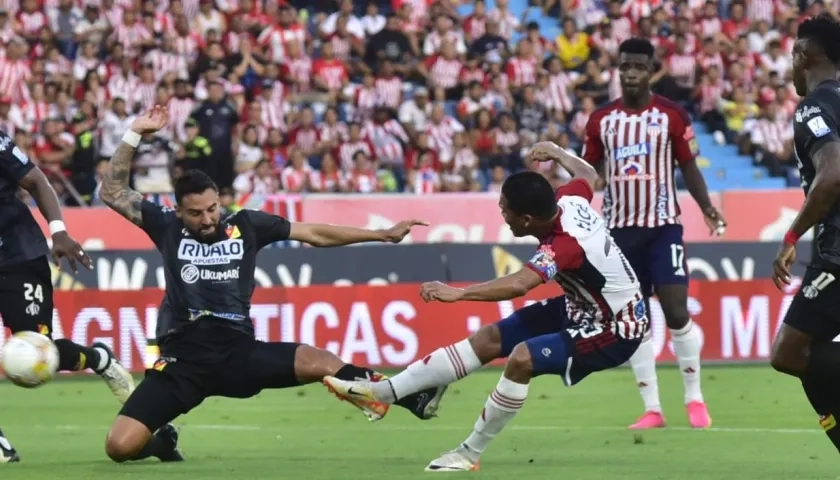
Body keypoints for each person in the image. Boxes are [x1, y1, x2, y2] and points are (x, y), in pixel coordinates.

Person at [96, 106, 444, 463]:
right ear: (179, 210)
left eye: (212, 208)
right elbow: (111, 191)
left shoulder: (247, 224)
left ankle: (409, 395)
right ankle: (162, 442)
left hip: (237, 354)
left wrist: (379, 234)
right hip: (182, 363)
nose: (208, 219)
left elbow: (314, 233)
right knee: (119, 447)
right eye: (197, 213)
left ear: (219, 199)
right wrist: (135, 132)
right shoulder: (165, 224)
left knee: (320, 360)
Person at [323, 141, 647, 472]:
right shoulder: (568, 200)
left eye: (505, 210)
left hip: (616, 326)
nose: (502, 215)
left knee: (522, 359)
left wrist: (460, 294)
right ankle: (386, 393)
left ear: (526, 219)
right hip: (581, 306)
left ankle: (468, 453)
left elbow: (520, 283)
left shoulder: (564, 245)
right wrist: (558, 152)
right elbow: (588, 173)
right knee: (489, 338)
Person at [580, 37, 726, 430]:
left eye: (638, 67)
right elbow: (586, 175)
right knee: (634, 319)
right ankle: (653, 408)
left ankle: (695, 399)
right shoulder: (601, 121)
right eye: (624, 66)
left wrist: (708, 208)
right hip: (619, 234)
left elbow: (689, 167)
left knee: (677, 309)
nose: (629, 73)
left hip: (663, 226)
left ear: (650, 71)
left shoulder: (672, 116)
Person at [0, 129, 135, 463]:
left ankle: (99, 359)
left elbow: (35, 181)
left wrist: (58, 232)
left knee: (34, 357)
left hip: (17, 256)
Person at [769, 13, 840, 454]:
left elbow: (831, 177)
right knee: (808, 364)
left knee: (789, 353)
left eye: (792, 58)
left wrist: (791, 237)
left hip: (837, 254)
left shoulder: (815, 106)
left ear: (802, 56)